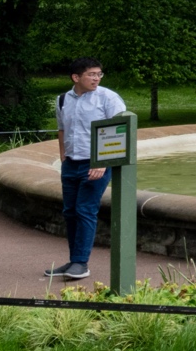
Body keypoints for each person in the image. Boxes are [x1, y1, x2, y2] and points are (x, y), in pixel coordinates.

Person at [46, 57, 126, 281]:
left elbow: (118, 130)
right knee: (69, 212)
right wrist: (63, 155)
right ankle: (74, 261)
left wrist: (102, 162)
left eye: (99, 74)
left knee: (84, 211)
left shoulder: (108, 98)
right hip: (71, 164)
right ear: (76, 77)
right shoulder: (63, 100)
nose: (97, 78)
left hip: (95, 165)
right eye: (92, 74)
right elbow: (62, 129)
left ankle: (81, 263)